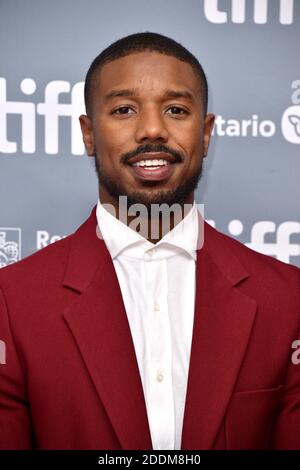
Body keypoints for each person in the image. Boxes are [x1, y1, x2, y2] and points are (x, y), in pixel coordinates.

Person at [0, 31, 299, 450]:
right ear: (88, 134)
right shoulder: (11, 300)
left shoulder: (288, 298)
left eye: (176, 109)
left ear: (206, 132)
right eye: (124, 109)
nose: (153, 129)